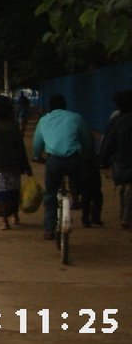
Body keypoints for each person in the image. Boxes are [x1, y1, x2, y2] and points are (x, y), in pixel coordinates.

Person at [32, 94, 93, 240]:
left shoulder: (44, 120)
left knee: (51, 194)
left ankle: (48, 229)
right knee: (84, 188)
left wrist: (37, 156)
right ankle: (85, 217)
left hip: (53, 162)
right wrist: (86, 154)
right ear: (65, 105)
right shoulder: (75, 118)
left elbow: (37, 144)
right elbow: (87, 140)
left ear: (49, 106)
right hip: (74, 160)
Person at [0, 97, 33, 230]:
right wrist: (27, 167)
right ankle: (15, 216)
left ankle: (4, 220)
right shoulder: (13, 127)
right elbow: (21, 148)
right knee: (14, 191)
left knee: (1, 192)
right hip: (14, 164)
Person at [99, 89, 132, 230]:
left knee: (125, 188)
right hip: (125, 162)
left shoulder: (116, 120)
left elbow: (108, 143)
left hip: (122, 162)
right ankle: (127, 217)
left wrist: (103, 161)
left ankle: (125, 216)